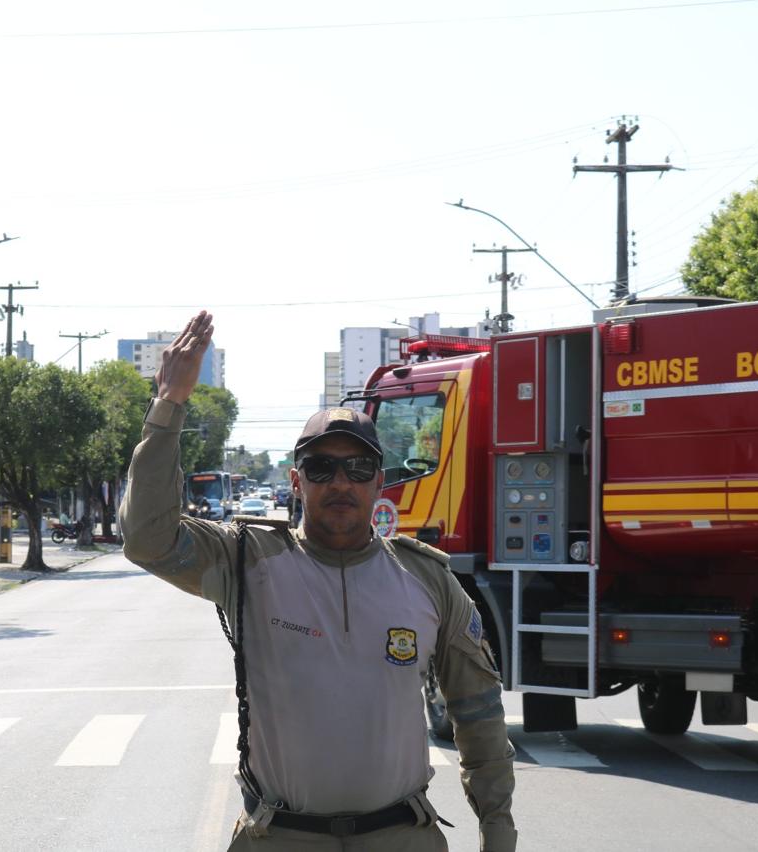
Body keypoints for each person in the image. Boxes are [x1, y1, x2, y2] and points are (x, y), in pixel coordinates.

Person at [119, 311, 516, 852]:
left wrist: (497, 827)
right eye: (321, 467)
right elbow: (147, 537)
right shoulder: (248, 560)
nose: (340, 483)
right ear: (296, 480)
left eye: (357, 469)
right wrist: (169, 407)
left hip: (400, 837)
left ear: (380, 482)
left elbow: (478, 712)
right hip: (280, 837)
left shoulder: (427, 579)